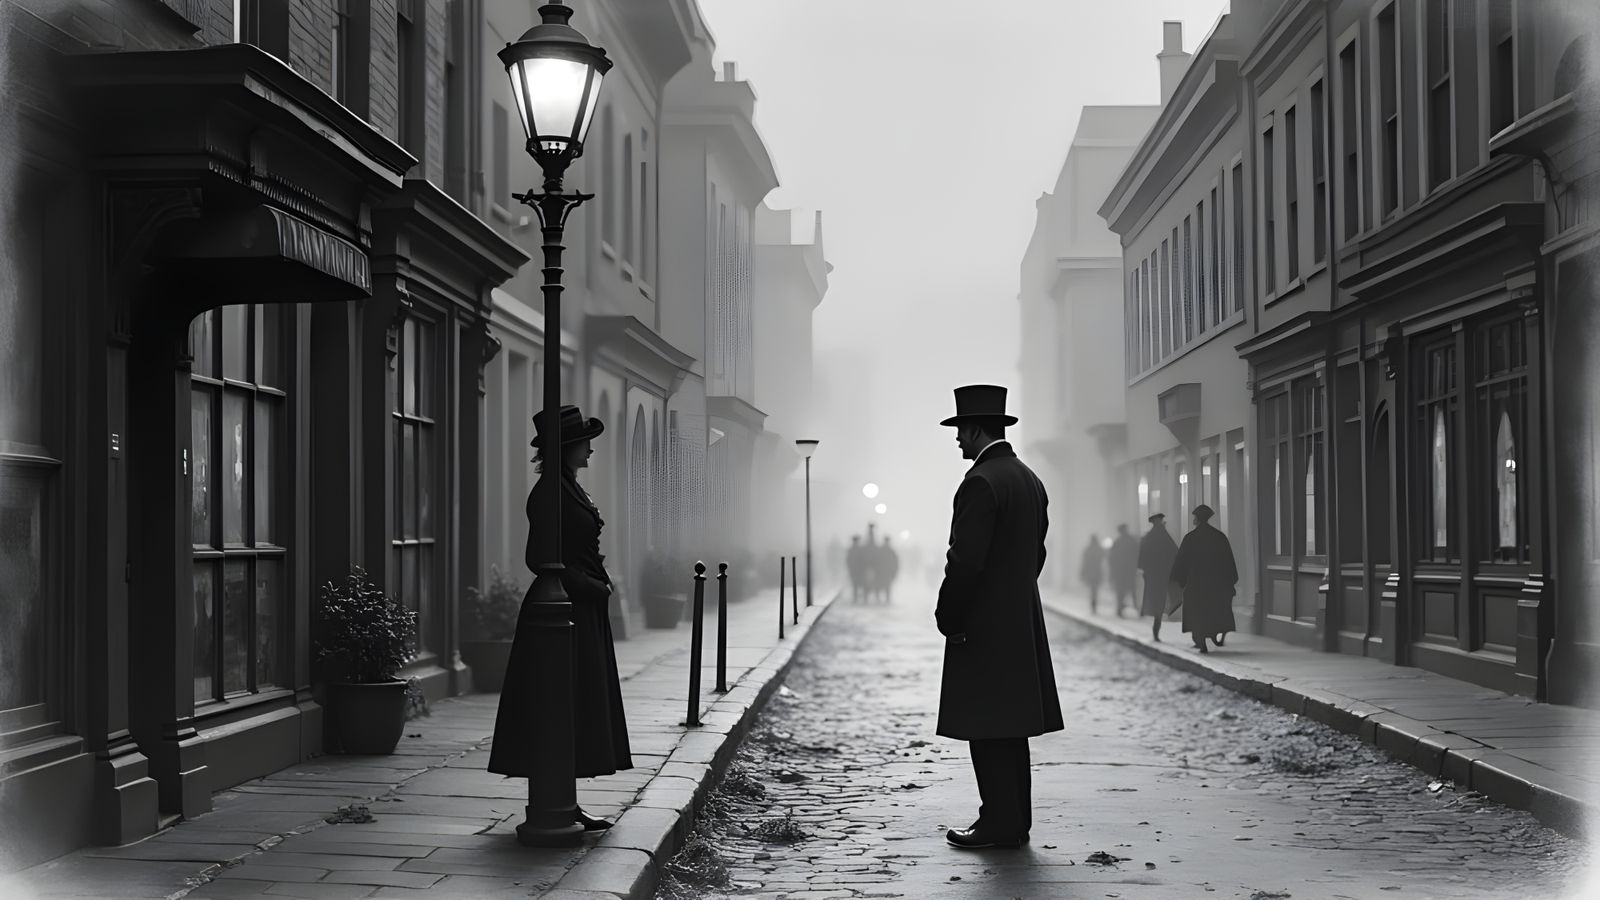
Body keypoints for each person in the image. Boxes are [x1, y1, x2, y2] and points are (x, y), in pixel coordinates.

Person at [932, 384, 1062, 850]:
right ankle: (1013, 821)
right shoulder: (1029, 478)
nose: (958, 440)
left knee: (987, 727)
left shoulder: (980, 482)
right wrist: (1015, 593)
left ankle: (996, 823)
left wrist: (950, 613)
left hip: (984, 625)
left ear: (976, 428)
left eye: (960, 430)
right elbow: (1037, 553)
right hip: (1018, 619)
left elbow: (965, 561)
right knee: (1010, 728)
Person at [489, 404, 630, 832]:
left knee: (577, 701)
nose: (591, 449)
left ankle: (564, 800)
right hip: (561, 608)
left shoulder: (567, 486)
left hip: (578, 607)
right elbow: (540, 557)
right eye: (585, 442)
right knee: (559, 701)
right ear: (568, 447)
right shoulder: (550, 491)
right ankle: (551, 804)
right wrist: (591, 586)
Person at [1168, 504, 1238, 654]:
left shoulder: (1190, 538)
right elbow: (1228, 561)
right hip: (1215, 584)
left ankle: (1200, 638)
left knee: (1197, 611)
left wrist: (1180, 580)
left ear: (1197, 519)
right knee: (1213, 610)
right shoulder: (1219, 537)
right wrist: (1230, 580)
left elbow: (1181, 561)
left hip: (1196, 584)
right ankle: (1212, 634)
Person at [1137, 513, 1178, 642]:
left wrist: (1144, 570)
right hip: (1163, 574)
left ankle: (1156, 622)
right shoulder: (1165, 537)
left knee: (1154, 598)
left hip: (1151, 575)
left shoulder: (1148, 537)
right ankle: (1157, 622)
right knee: (1161, 599)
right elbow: (1175, 553)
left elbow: (1141, 558)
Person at [1109, 524, 1139, 618]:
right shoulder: (1132, 541)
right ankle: (1138, 609)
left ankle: (1119, 609)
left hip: (1120, 571)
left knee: (1121, 591)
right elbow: (1137, 553)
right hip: (1130, 570)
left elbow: (1111, 558)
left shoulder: (1117, 542)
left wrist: (1113, 570)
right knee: (1133, 591)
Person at [1079, 535, 1105, 614]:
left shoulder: (1088, 550)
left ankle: (1093, 605)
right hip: (1097, 572)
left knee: (1093, 590)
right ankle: (1094, 605)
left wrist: (1082, 573)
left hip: (1090, 573)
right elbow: (1103, 558)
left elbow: (1084, 562)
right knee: (1094, 590)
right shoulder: (1099, 549)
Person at [880, 536, 900, 603]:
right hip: (881, 572)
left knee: (887, 588)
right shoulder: (882, 550)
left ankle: (887, 600)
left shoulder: (891, 551)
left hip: (888, 573)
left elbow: (895, 563)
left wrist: (894, 572)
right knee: (880, 587)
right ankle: (881, 600)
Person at [846, 535, 865, 603]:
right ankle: (856, 599)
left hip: (858, 571)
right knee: (856, 585)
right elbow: (848, 561)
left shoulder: (853, 549)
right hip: (855, 571)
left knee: (857, 585)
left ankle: (857, 599)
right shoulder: (855, 549)